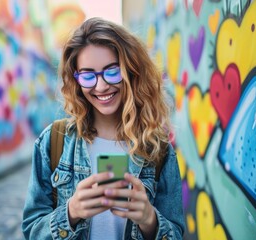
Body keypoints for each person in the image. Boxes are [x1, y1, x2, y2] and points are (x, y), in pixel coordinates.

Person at [22, 17, 185, 240]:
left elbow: (176, 233)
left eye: (112, 71)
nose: (101, 86)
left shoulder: (159, 150)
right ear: (76, 79)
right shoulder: (53, 142)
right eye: (88, 75)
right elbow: (31, 231)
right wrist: (70, 213)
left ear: (131, 71)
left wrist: (149, 220)